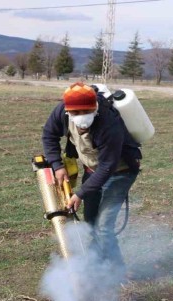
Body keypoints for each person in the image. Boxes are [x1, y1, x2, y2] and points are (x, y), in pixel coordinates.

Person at [42, 81, 142, 270]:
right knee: (90, 223)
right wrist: (57, 166)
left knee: (103, 227)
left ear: (95, 107)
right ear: (68, 111)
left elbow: (107, 166)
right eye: (75, 113)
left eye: (85, 112)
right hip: (92, 170)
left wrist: (80, 194)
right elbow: (49, 135)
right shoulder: (61, 111)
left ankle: (118, 272)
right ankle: (97, 267)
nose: (81, 117)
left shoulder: (109, 123)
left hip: (120, 172)